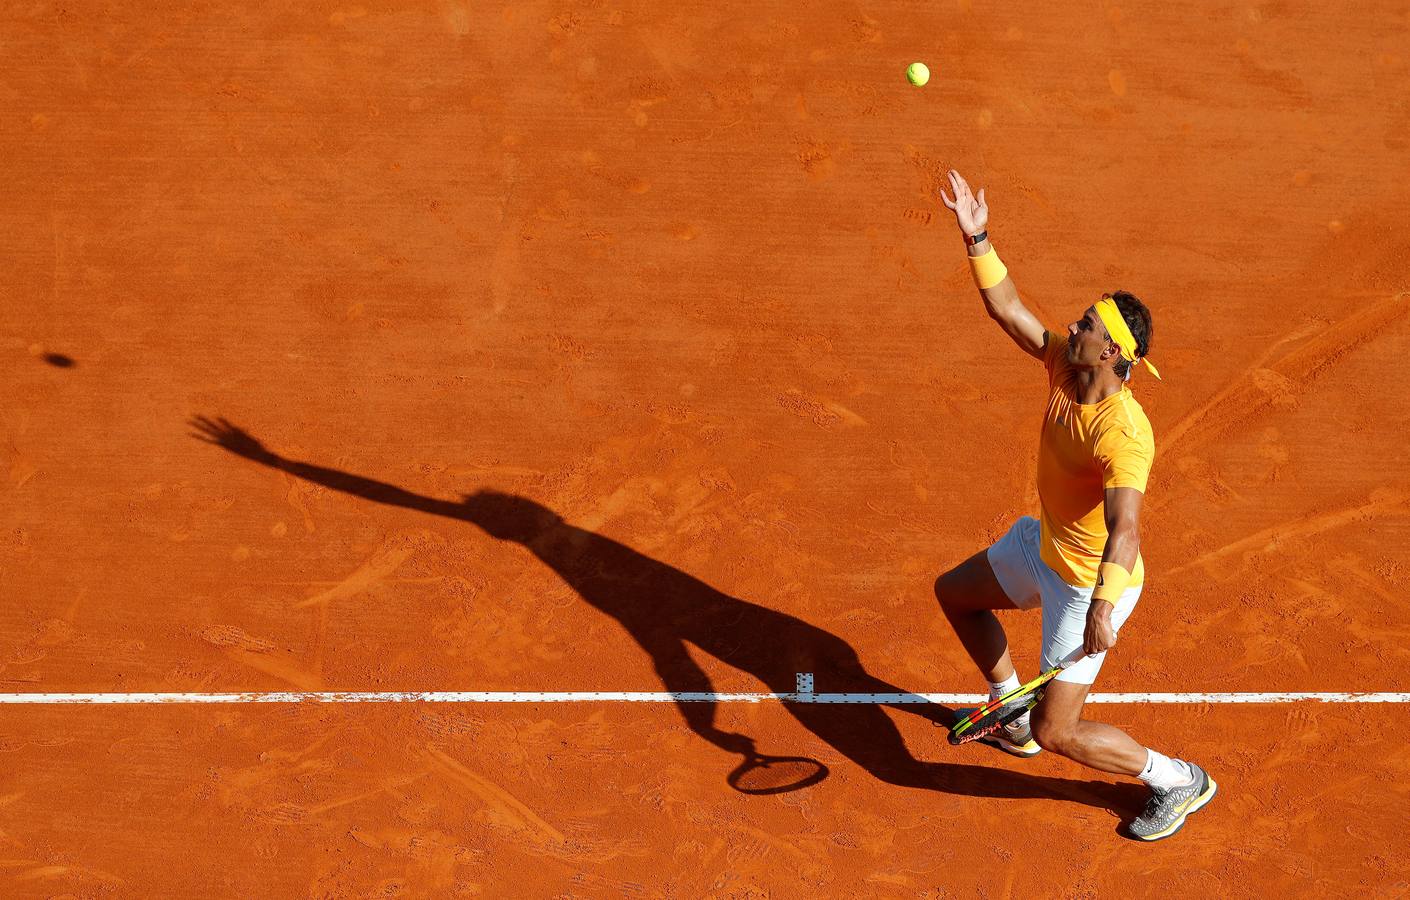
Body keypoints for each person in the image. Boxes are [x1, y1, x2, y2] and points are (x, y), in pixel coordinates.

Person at [933, 169, 1216, 841]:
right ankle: (1008, 709)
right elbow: (1008, 309)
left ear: (1112, 350)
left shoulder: (1125, 435)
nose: (1071, 323)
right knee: (955, 594)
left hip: (1087, 585)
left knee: (1057, 731)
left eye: (1085, 324)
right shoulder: (1066, 364)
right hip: (1044, 546)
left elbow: (1126, 529)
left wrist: (1102, 607)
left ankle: (1177, 778)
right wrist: (977, 235)